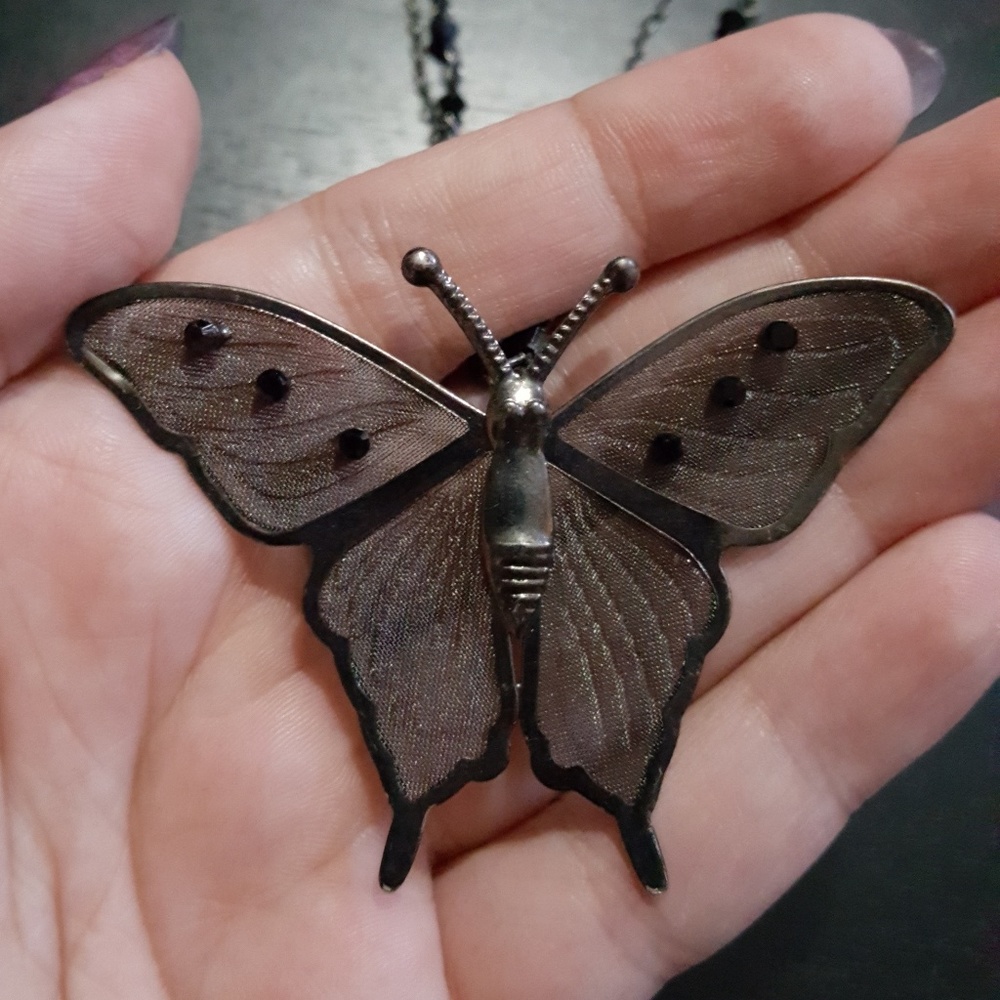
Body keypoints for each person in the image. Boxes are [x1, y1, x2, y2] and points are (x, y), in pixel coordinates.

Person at [0, 13, 996, 999]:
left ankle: (480, 804)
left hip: (489, 549)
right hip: (556, 555)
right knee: (567, 666)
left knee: (529, 677)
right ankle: (487, 803)